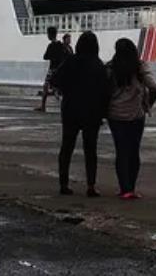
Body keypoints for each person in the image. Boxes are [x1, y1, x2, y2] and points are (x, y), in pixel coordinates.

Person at [53, 31, 106, 197]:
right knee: (90, 150)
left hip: (70, 109)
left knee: (67, 147)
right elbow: (105, 90)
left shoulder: (71, 61)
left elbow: (55, 80)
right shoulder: (98, 64)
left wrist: (65, 90)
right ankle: (91, 185)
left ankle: (64, 183)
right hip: (92, 111)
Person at [107, 38, 156, 200]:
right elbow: (154, 87)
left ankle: (124, 188)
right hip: (136, 115)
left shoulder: (110, 67)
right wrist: (148, 104)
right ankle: (132, 188)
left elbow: (104, 90)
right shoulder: (140, 66)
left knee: (121, 151)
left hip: (115, 115)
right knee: (133, 151)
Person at [37, 26, 65, 112]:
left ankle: (43, 106)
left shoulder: (51, 45)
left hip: (52, 68)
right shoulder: (60, 45)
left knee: (46, 86)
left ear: (49, 35)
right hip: (59, 69)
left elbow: (45, 56)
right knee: (61, 88)